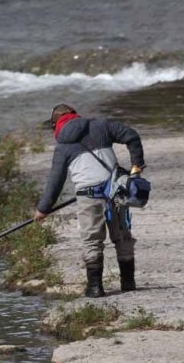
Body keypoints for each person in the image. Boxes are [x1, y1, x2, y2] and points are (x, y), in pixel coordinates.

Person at [34, 104, 146, 297]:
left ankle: (95, 288)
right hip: (115, 191)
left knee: (92, 240)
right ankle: (128, 283)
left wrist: (43, 209)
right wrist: (136, 167)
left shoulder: (62, 146)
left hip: (88, 195)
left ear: (56, 124)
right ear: (75, 115)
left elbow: (55, 181)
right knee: (122, 237)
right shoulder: (101, 126)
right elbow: (132, 136)